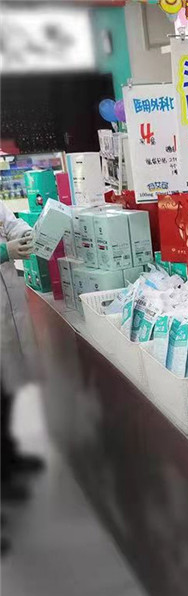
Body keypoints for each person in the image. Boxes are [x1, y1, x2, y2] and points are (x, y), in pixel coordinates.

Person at [0, 202, 44, 553]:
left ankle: (8, 463)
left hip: (7, 307)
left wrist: (24, 234)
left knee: (6, 393)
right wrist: (4, 251)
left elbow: (8, 222)